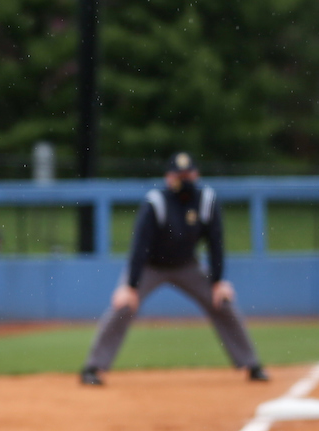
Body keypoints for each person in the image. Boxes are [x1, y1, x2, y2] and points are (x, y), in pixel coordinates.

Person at [79, 152, 269, 386]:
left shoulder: (206, 200)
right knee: (124, 304)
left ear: (196, 175)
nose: (183, 180)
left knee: (222, 302)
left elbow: (215, 243)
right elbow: (140, 246)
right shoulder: (156, 202)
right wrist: (130, 286)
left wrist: (218, 281)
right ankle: (93, 367)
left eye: (188, 174)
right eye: (179, 175)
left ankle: (251, 364)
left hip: (187, 265)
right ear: (168, 177)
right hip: (150, 266)